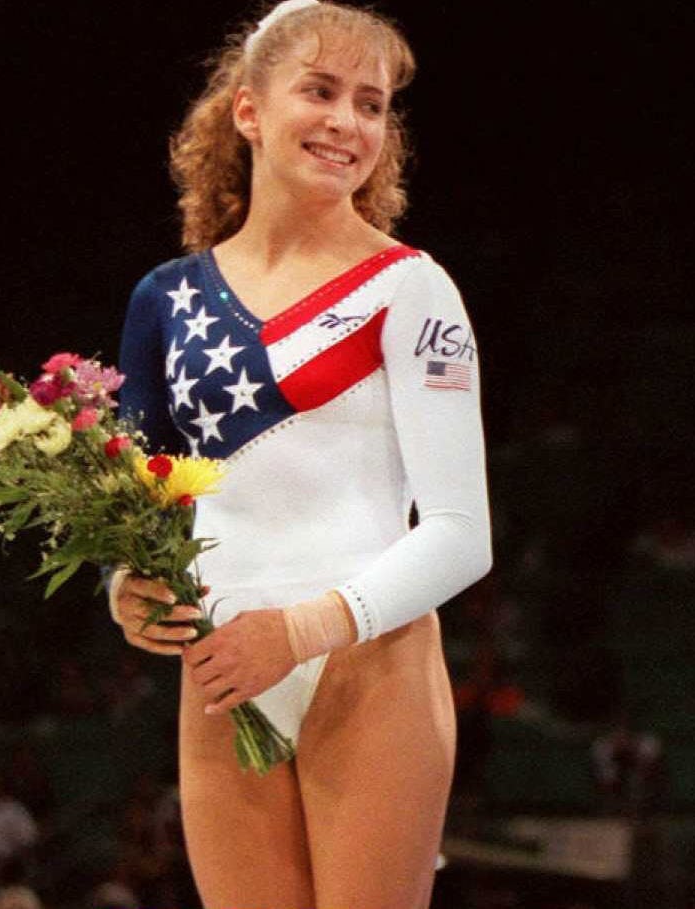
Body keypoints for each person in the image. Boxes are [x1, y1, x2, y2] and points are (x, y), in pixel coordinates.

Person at [109, 2, 491, 906]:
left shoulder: (411, 289)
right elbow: (139, 508)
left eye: (371, 103)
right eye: (319, 91)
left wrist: (299, 632)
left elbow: (461, 533)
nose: (346, 121)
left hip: (366, 665)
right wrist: (125, 587)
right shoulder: (165, 299)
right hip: (223, 671)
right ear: (248, 109)